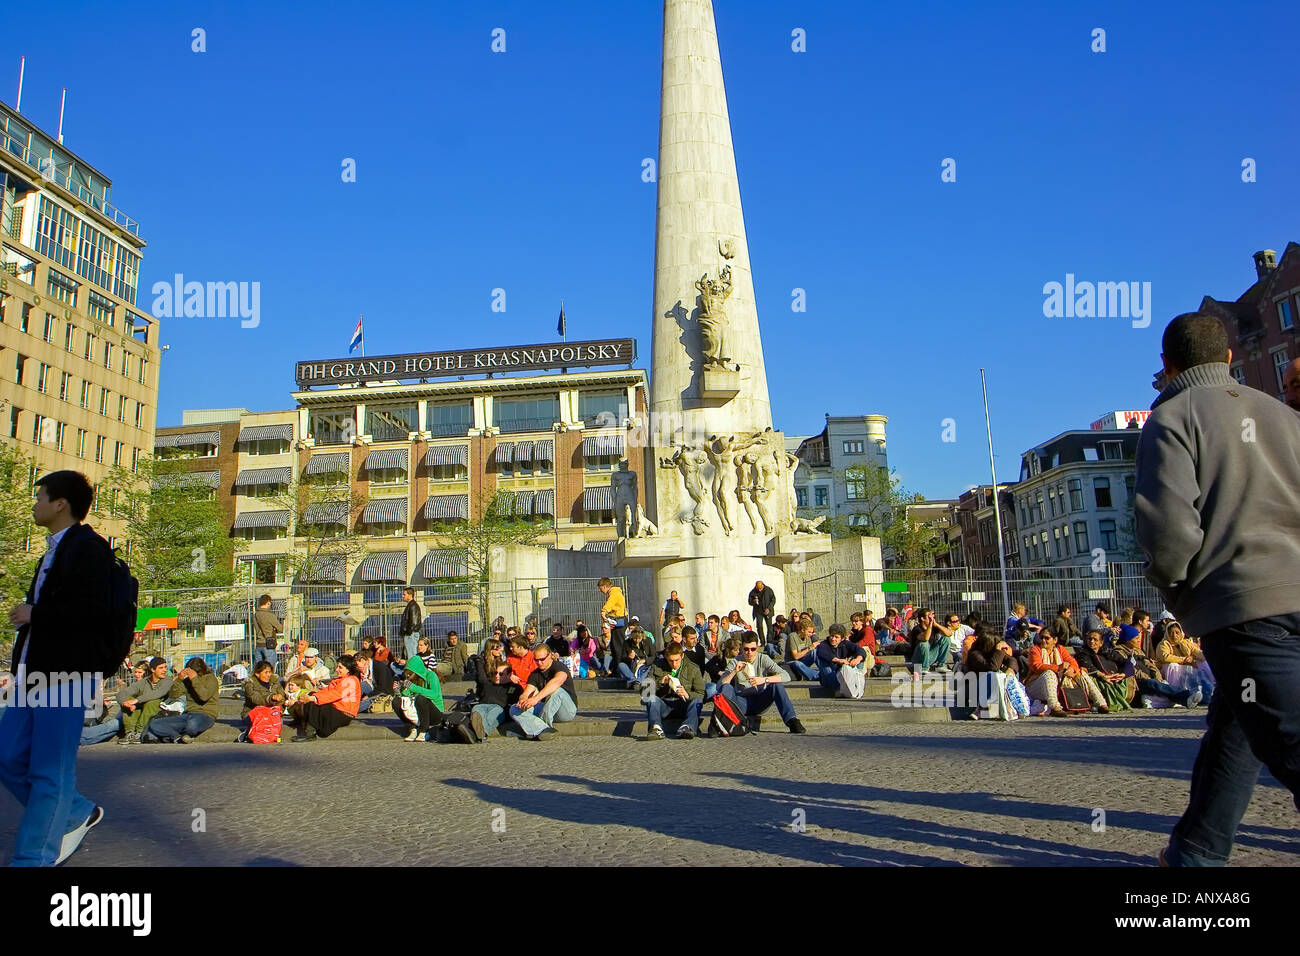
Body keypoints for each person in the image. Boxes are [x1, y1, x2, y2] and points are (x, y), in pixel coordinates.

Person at [1136, 311, 1300, 867]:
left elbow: (1170, 531)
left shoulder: (1173, 419)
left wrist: (1179, 589)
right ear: (1229, 358)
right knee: (1235, 725)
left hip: (1246, 606)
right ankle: (1196, 854)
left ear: (1167, 364)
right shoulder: (1282, 415)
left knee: (1290, 744)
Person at [0, 472, 114, 865]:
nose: (35, 504)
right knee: (7, 757)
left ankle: (32, 859)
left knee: (50, 773)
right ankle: (75, 811)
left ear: (60, 503)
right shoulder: (53, 550)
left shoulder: (88, 548)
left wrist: (37, 613)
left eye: (40, 496)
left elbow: (94, 612)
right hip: (33, 672)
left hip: (67, 675)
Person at [714, 633, 806, 734]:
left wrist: (764, 680)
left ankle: (792, 720)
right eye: (746, 649)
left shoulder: (763, 658)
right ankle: (718, 722)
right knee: (726, 687)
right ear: (741, 648)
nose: (749, 652)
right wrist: (734, 672)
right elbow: (720, 685)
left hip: (760, 700)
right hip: (740, 701)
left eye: (753, 649)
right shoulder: (735, 661)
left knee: (776, 684)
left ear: (757, 647)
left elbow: (786, 676)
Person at [1110, 625, 1202, 709]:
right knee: (1154, 684)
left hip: (1150, 678)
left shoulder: (1138, 651)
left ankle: (1187, 699)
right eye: (1136, 638)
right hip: (1136, 682)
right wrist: (1148, 677)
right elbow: (1131, 670)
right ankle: (1186, 696)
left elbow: (1149, 664)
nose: (1139, 640)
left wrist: (1156, 675)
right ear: (1128, 640)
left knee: (1160, 686)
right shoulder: (1119, 652)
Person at [1024, 631, 1106, 717]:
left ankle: (1101, 704)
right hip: (1036, 686)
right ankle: (1055, 707)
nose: (1043, 640)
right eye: (1042, 638)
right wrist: (1059, 668)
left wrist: (1071, 669)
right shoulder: (1035, 649)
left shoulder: (1060, 649)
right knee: (1049, 674)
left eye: (1047, 638)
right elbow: (1036, 666)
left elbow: (1073, 662)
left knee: (1081, 673)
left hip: (1059, 684)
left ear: (1055, 640)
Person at [510, 644, 578, 741]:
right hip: (548, 707)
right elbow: (527, 691)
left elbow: (557, 681)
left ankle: (543, 724)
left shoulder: (559, 666)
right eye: (536, 660)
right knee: (514, 709)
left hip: (566, 709)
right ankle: (543, 730)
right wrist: (523, 699)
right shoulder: (535, 674)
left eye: (542, 659)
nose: (539, 663)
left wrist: (535, 699)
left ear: (550, 655)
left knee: (556, 690)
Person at [146, 658, 221, 743]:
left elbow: (204, 696)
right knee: (155, 724)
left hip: (206, 715)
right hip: (188, 714)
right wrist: (179, 680)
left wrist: (194, 679)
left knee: (192, 725)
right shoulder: (187, 681)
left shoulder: (210, 678)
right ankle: (177, 737)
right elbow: (173, 695)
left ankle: (178, 735)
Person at [291, 655, 362, 741]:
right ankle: (304, 724)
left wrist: (313, 698)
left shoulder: (351, 680)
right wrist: (310, 696)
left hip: (344, 713)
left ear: (348, 669)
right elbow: (325, 692)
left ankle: (310, 733)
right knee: (312, 695)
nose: (336, 670)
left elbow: (335, 694)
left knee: (314, 703)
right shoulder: (340, 679)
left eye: (340, 667)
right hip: (336, 709)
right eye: (337, 667)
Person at [644, 641, 707, 739]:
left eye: (677, 660)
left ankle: (688, 727)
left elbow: (701, 694)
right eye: (670, 661)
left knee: (697, 701)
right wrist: (660, 682)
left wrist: (687, 695)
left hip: (684, 705)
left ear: (682, 656)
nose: (674, 664)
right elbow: (645, 691)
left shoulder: (692, 668)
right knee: (651, 698)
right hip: (664, 705)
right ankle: (656, 728)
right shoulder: (657, 666)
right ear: (666, 657)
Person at [115, 657, 174, 745]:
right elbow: (121, 694)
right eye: (161, 668)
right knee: (128, 699)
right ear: (153, 669)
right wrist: (125, 703)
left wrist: (137, 700)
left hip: (161, 712)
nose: (164, 670)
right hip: (143, 711)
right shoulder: (144, 681)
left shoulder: (168, 680)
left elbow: (159, 693)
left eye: (165, 667)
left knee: (152, 702)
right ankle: (130, 733)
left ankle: (140, 732)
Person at [1074, 630, 1135, 712]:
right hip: (1097, 677)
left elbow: (1126, 662)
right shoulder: (1082, 653)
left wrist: (1123, 674)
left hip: (1114, 677)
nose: (1092, 641)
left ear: (1101, 643)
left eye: (1095, 639)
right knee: (1102, 683)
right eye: (1089, 639)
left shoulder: (1107, 651)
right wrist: (1102, 676)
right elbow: (1087, 665)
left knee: (1127, 679)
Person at [394, 651, 446, 742]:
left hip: (435, 713)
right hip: (417, 711)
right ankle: (412, 729)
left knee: (421, 698)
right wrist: (399, 691)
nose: (408, 676)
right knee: (396, 701)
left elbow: (434, 694)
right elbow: (408, 696)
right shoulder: (412, 679)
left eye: (410, 674)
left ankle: (423, 731)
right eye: (407, 674)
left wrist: (413, 687)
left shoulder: (431, 676)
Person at [1155, 621, 1215, 698]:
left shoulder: (1186, 643)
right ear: (1167, 633)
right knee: (1172, 665)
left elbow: (1200, 653)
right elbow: (1165, 657)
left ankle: (1213, 684)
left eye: (1177, 633)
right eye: (1171, 633)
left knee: (1202, 662)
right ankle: (1176, 693)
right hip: (1168, 670)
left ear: (1181, 633)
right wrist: (1184, 659)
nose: (1174, 635)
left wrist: (1193, 657)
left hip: (1186, 667)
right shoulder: (1164, 644)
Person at [469, 660, 523, 742]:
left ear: (509, 675)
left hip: (499, 708)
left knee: (495, 712)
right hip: (482, 705)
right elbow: (480, 676)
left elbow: (514, 705)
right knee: (477, 710)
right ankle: (479, 732)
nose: (497, 676)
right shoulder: (488, 684)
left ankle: (479, 732)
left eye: (501, 674)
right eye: (495, 673)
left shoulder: (515, 688)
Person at [814, 624, 866, 698]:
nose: (833, 639)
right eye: (832, 636)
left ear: (842, 639)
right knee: (823, 661)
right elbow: (822, 653)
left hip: (841, 674)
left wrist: (858, 659)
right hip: (828, 677)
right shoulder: (824, 644)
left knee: (860, 657)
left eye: (836, 637)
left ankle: (856, 685)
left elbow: (859, 650)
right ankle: (837, 689)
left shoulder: (846, 644)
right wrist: (838, 660)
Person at [241, 661, 286, 734]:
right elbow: (255, 698)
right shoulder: (250, 684)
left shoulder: (274, 681)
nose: (268, 675)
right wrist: (271, 698)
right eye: (266, 672)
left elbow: (282, 696)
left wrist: (279, 710)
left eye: (270, 672)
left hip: (271, 712)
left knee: (279, 722)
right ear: (257, 674)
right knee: (262, 722)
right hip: (252, 712)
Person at [908, 609, 953, 676]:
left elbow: (949, 633)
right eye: (929, 617)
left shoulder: (933, 627)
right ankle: (924, 668)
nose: (932, 618)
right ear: (923, 618)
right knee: (924, 643)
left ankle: (941, 665)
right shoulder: (917, 629)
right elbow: (926, 638)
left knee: (946, 639)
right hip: (918, 659)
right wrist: (930, 625)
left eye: (933, 617)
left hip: (930, 656)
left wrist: (936, 624)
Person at [598, 576, 628, 652]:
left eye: (600, 588)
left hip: (619, 619)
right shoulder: (614, 592)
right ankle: (616, 661)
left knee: (618, 644)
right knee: (615, 643)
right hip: (617, 620)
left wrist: (604, 611)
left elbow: (610, 603)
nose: (600, 591)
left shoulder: (614, 593)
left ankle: (620, 661)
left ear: (604, 586)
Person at [252, 595, 282, 670]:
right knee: (269, 670)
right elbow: (280, 629)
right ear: (268, 603)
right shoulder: (270, 615)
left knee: (258, 670)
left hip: (259, 644)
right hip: (269, 644)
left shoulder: (255, 615)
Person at [747, 580, 776, 647]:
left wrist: (769, 608)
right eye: (758, 588)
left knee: (769, 627)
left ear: (763, 585)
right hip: (758, 611)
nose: (759, 590)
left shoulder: (768, 590)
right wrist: (754, 601)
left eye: (760, 588)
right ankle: (762, 642)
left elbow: (773, 599)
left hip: (767, 611)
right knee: (759, 626)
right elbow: (749, 601)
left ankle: (769, 641)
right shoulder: (753, 591)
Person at [398, 587, 423, 661]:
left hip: (411, 635)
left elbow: (414, 623)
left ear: (410, 595)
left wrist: (408, 632)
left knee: (411, 655)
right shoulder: (410, 605)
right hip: (409, 634)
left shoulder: (413, 606)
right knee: (408, 655)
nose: (402, 596)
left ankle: (413, 671)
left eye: (404, 594)